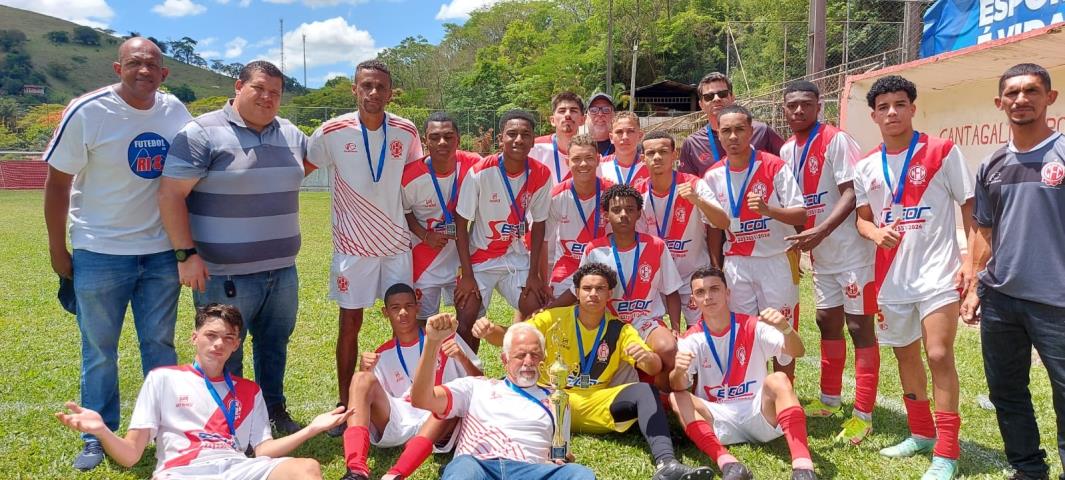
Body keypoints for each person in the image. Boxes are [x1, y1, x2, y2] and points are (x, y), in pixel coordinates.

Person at [43, 37, 192, 471]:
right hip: (100, 250)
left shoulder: (174, 110)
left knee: (159, 344)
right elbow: (57, 184)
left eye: (152, 65)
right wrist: (58, 250)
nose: (143, 71)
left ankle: (169, 431)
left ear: (164, 73)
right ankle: (97, 433)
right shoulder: (87, 111)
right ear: (117, 67)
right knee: (100, 350)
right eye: (134, 63)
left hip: (160, 252)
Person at [159, 60, 307, 435]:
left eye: (276, 92)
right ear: (239, 86)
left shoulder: (291, 133)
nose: (268, 97)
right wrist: (186, 255)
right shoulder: (201, 132)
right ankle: (229, 420)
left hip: (282, 270)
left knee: (274, 346)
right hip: (223, 274)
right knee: (225, 350)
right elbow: (171, 195)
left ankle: (273, 410)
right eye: (259, 88)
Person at [473, 263, 714, 480]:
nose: (593, 294)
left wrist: (647, 357)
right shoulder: (551, 318)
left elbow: (653, 367)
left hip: (594, 403)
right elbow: (512, 338)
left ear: (610, 294)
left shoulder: (619, 329)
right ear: (576, 292)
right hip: (546, 403)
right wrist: (490, 330)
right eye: (587, 288)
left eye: (600, 289)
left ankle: (667, 463)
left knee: (645, 391)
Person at [55, 304, 351, 480]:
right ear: (194, 337)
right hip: (183, 471)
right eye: (211, 335)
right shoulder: (163, 379)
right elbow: (132, 455)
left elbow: (263, 451)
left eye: (228, 338)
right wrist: (103, 431)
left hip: (236, 468)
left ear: (236, 345)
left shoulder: (249, 391)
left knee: (307, 468)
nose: (218, 344)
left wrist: (312, 428)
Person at [853, 74, 974, 480]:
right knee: (905, 355)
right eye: (884, 107)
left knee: (938, 354)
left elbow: (970, 207)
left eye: (899, 104)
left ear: (912, 108)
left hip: (938, 273)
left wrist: (971, 263)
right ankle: (921, 434)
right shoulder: (866, 166)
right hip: (891, 280)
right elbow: (862, 218)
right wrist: (874, 233)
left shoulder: (942, 152)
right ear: (873, 115)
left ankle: (947, 451)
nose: (892, 112)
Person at [961, 63, 1064, 480]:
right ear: (999, 102)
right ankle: (1027, 468)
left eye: (1032, 91)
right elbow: (983, 230)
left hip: (1057, 301)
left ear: (1050, 98)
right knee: (1006, 389)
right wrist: (973, 287)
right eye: (1013, 93)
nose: (1021, 99)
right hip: (1001, 298)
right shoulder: (992, 164)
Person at [306, 60, 423, 410]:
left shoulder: (406, 130)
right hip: (353, 248)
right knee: (349, 325)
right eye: (366, 86)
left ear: (390, 92)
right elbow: (302, 168)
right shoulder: (331, 131)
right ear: (355, 89)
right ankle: (346, 405)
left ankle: (410, 398)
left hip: (396, 246)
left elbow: (416, 180)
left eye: (381, 87)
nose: (374, 93)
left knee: (405, 323)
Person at [776, 81, 879, 443]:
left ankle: (863, 414)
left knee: (859, 327)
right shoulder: (787, 149)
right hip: (821, 253)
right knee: (825, 321)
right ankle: (830, 399)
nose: (798, 111)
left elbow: (853, 192)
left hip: (852, 251)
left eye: (806, 104)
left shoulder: (836, 140)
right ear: (784, 109)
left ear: (819, 106)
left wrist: (819, 230)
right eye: (792, 106)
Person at [670, 266, 816, 480]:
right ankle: (729, 464)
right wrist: (679, 370)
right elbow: (678, 385)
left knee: (779, 379)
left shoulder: (753, 325)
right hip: (718, 418)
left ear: (727, 293)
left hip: (759, 412)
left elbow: (797, 351)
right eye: (700, 292)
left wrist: (786, 328)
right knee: (677, 397)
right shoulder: (691, 338)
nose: (708, 297)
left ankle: (803, 468)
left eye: (715, 289)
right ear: (693, 300)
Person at [411, 315, 596, 480]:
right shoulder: (475, 387)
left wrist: (561, 459)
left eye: (535, 354)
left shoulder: (556, 399)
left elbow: (560, 452)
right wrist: (432, 343)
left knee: (580, 474)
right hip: (480, 466)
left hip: (529, 470)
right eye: (520, 355)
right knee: (463, 466)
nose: (528, 361)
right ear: (504, 359)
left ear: (543, 359)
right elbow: (422, 399)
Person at [700, 105, 806, 376]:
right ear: (719, 135)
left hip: (776, 260)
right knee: (743, 330)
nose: (733, 136)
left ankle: (785, 393)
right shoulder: (712, 175)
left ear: (751, 131)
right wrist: (716, 267)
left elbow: (801, 213)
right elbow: (713, 227)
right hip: (737, 263)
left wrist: (769, 211)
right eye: (726, 131)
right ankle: (752, 390)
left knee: (781, 327)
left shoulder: (774, 166)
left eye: (739, 129)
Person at [339, 284, 481, 480]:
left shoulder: (446, 337)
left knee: (450, 397)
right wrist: (364, 370)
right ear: (385, 312)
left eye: (408, 306)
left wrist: (462, 358)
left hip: (438, 419)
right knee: (360, 379)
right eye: (395, 308)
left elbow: (480, 382)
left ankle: (396, 474)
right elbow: (371, 403)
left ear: (418, 308)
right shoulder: (382, 354)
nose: (403, 313)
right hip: (400, 418)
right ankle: (356, 470)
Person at [548, 184, 683, 389]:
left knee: (668, 349)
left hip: (644, 320)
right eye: (616, 210)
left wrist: (675, 327)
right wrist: (551, 309)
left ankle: (662, 396)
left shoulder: (656, 246)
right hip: (608, 321)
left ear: (639, 214)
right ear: (606, 215)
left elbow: (671, 290)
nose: (623, 215)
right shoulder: (594, 249)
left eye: (629, 209)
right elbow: (580, 288)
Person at [455, 110, 551, 320]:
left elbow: (540, 225)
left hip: (514, 257)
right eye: (512, 134)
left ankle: (517, 353)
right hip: (480, 259)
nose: (519, 139)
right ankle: (467, 354)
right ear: (501, 139)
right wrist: (467, 274)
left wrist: (535, 275)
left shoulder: (541, 174)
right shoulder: (480, 172)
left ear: (533, 140)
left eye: (525, 134)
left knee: (536, 309)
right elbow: (461, 225)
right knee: (467, 314)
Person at [401, 111, 482, 349]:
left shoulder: (475, 165)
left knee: (469, 318)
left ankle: (466, 373)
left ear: (458, 138)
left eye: (448, 136)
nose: (442, 142)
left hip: (463, 258)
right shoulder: (410, 176)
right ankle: (424, 372)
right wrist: (425, 235)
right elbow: (405, 212)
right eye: (435, 137)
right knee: (422, 323)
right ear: (425, 141)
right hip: (425, 258)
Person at [636, 130, 717, 328]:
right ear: (642, 159)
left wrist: (697, 201)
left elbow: (722, 222)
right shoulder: (637, 192)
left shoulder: (695, 185)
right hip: (657, 279)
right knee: (661, 340)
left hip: (694, 276)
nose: (657, 157)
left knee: (700, 335)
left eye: (663, 151)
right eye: (650, 153)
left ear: (675, 155)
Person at [679, 72, 785, 177]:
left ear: (732, 97)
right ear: (701, 104)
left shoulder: (761, 131)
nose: (716, 99)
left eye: (722, 94)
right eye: (709, 96)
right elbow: (687, 184)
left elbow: (787, 164)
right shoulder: (693, 143)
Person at [546, 133, 612, 298]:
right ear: (567, 161)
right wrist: (542, 281)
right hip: (568, 266)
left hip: (605, 266)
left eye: (589, 157)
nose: (583, 164)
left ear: (598, 160)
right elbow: (543, 241)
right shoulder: (556, 195)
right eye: (576, 159)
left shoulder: (612, 193)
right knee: (558, 312)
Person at [531, 91, 586, 186]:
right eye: (562, 111)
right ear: (552, 120)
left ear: (582, 120)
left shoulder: (589, 152)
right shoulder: (534, 147)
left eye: (573, 110)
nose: (567, 115)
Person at [597, 111, 649, 186]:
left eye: (630, 131)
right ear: (611, 138)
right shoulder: (599, 166)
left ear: (640, 136)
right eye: (619, 132)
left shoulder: (649, 166)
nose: (625, 137)